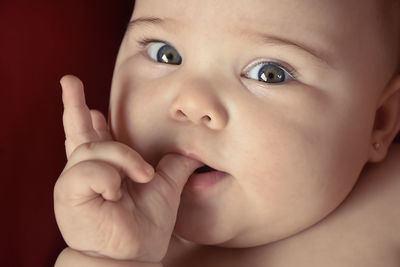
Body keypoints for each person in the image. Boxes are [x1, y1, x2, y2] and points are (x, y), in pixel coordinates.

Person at [53, 0, 400, 266]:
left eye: (269, 73)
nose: (191, 102)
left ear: (379, 119)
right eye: (166, 54)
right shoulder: (126, 241)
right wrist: (107, 257)